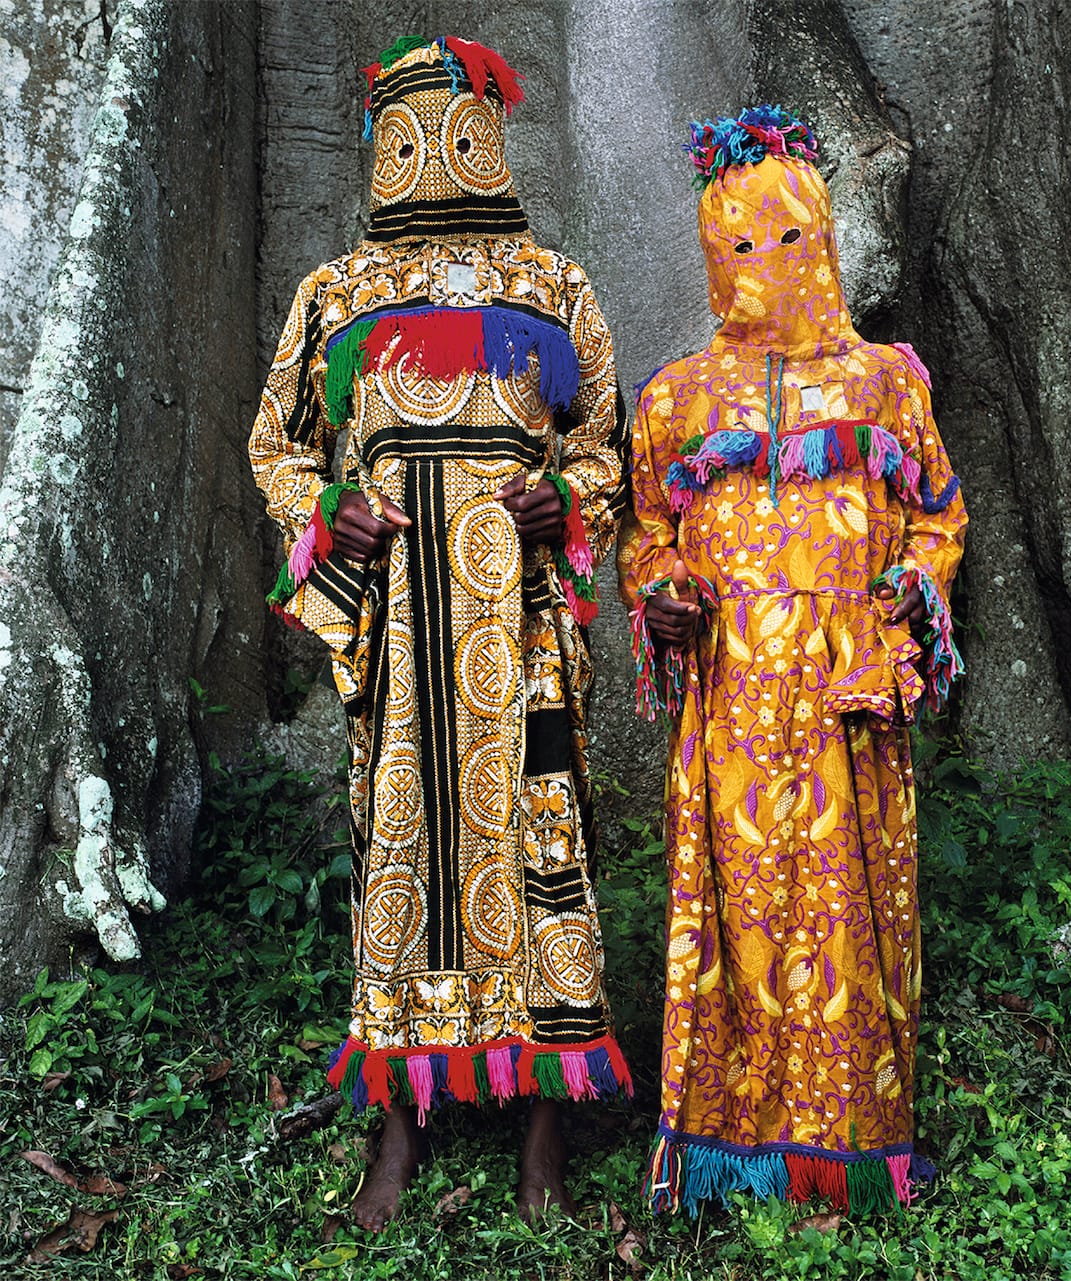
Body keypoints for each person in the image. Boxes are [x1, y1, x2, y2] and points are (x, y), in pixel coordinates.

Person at [249, 35, 630, 1230]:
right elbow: (277, 444)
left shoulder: (553, 287)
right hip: (402, 637)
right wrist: (324, 511)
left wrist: (562, 500)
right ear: (381, 140)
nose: (433, 157)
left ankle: (541, 1131)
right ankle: (397, 1121)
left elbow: (601, 447)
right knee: (398, 856)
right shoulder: (334, 294)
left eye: (456, 128)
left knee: (540, 850)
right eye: (408, 133)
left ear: (490, 132)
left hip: (515, 634)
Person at [619, 106, 967, 1216]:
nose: (761, 266)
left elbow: (938, 518)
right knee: (732, 917)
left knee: (849, 915)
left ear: (819, 238)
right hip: (724, 694)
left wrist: (901, 612)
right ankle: (729, 1149)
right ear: (707, 255)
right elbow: (643, 534)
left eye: (783, 240)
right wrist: (661, 595)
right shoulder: (675, 396)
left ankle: (853, 1152)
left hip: (843, 694)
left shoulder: (884, 382)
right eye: (735, 246)